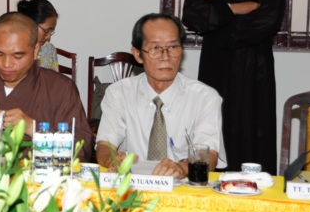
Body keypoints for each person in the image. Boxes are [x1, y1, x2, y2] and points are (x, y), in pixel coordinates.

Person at [182, 0, 287, 174]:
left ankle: (255, 186)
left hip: (254, 65)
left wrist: (216, 16)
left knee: (253, 125)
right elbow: (191, 15)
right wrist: (234, 8)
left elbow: (268, 21)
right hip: (215, 63)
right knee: (212, 119)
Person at [0, 12, 93, 161]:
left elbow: (82, 148)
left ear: (35, 50)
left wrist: (33, 129)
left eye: (17, 56)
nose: (6, 64)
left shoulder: (60, 88)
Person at [95, 13, 226, 178]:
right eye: (155, 48)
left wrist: (182, 168)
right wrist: (112, 160)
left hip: (182, 186)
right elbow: (105, 146)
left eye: (173, 47)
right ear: (137, 54)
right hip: (131, 184)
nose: (165, 57)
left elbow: (210, 156)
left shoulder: (205, 97)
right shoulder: (118, 93)